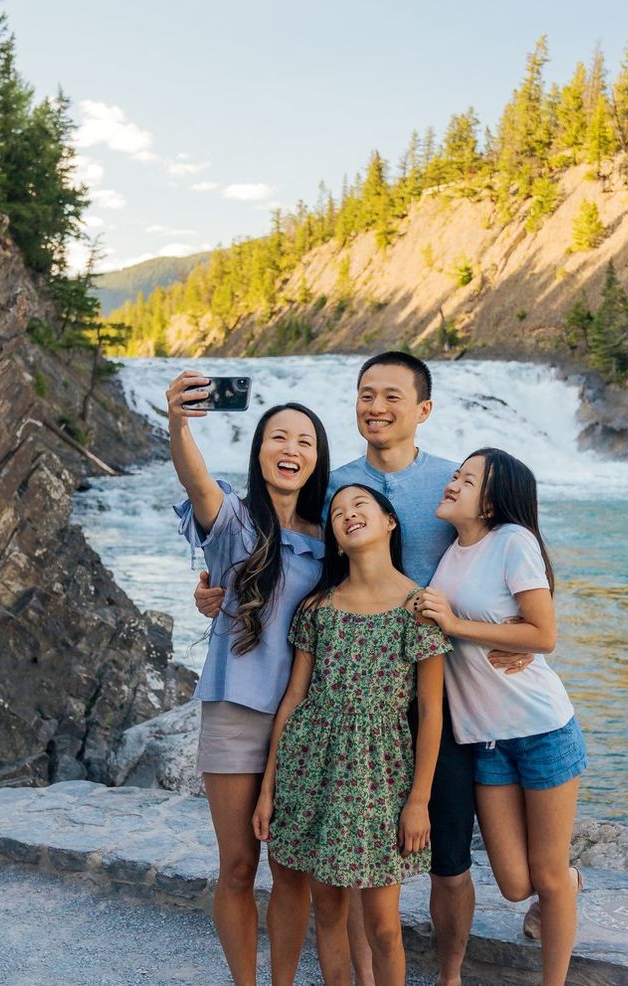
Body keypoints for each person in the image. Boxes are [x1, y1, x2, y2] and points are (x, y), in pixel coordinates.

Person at [195, 352, 530, 986]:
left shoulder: (452, 481)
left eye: (392, 396)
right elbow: (276, 546)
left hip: (436, 681)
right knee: (338, 881)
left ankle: (451, 975)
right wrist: (216, 586)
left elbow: (513, 550)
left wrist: (522, 635)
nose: (376, 407)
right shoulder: (332, 488)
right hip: (336, 700)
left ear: (422, 409)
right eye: (365, 395)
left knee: (446, 853)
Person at [166, 373, 327, 986]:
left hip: (307, 719)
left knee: (293, 871)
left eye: (305, 441)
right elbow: (194, 479)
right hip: (236, 710)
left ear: (317, 459)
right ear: (260, 451)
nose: (291, 449)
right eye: (278, 437)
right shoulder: (233, 520)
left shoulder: (334, 535)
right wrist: (179, 423)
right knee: (237, 866)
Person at [254, 484, 448, 986]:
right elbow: (293, 700)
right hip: (311, 770)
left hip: (379, 778)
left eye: (361, 505)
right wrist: (268, 788)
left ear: (390, 523)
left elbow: (431, 714)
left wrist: (419, 802)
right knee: (330, 911)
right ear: (336, 540)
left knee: (384, 925)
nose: (348, 514)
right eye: (338, 512)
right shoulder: (318, 609)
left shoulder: (418, 607)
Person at [416, 448, 585, 986]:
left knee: (548, 877)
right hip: (485, 739)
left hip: (541, 731)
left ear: (490, 501)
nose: (452, 483)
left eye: (467, 480)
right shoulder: (450, 555)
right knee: (515, 884)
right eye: (455, 475)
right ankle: (570, 885)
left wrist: (460, 625)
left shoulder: (513, 541)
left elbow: (544, 635)